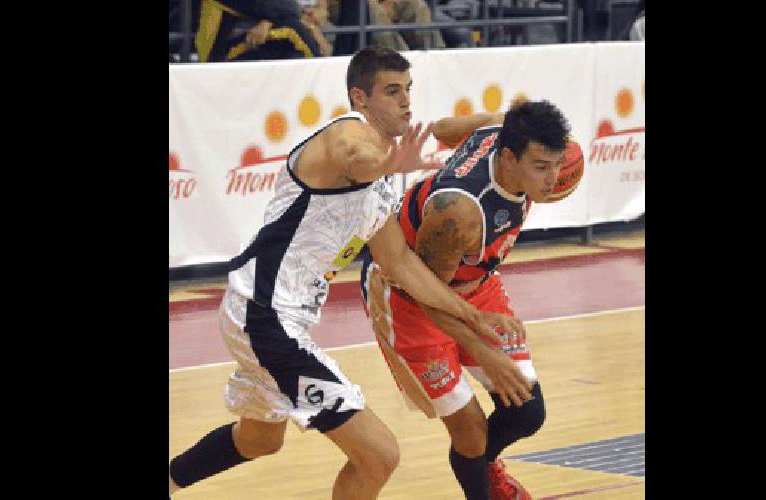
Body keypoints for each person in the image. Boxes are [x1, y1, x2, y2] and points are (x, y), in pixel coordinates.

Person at [169, 47, 528, 499]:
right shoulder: (346, 135)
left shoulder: (380, 179)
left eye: (409, 90)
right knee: (380, 455)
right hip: (264, 314)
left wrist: (473, 317)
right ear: (360, 97)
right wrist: (388, 164)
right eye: (392, 91)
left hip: (274, 316)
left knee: (259, 439)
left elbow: (401, 266)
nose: (405, 101)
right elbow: (356, 159)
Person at [360, 101, 573, 500]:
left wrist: (461, 134)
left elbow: (441, 129)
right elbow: (426, 293)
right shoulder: (458, 211)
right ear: (508, 157)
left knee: (527, 411)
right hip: (410, 296)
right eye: (542, 167)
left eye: (557, 164)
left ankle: (483, 466)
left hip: (474, 280)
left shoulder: (499, 127)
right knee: (471, 433)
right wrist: (480, 347)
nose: (552, 179)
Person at [194, 0, 325, 62]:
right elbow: (290, 8)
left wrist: (268, 21)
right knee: (292, 29)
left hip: (247, 43)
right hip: (218, 58)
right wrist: (269, 20)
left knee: (293, 48)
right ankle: (323, 77)